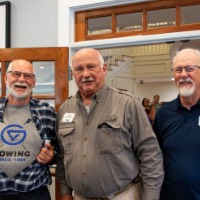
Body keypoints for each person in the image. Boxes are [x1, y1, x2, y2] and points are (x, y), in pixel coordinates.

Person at [56, 48, 164, 200]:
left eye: (91, 67)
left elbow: (150, 155)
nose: (85, 74)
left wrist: (150, 196)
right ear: (73, 74)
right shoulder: (64, 109)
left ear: (104, 69)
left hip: (122, 196)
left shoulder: (128, 104)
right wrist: (66, 192)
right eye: (79, 69)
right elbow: (63, 156)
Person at [0, 59, 57, 200]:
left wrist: (51, 157)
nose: (21, 79)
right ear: (6, 78)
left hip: (35, 193)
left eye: (27, 76)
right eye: (16, 74)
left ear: (34, 82)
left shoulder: (46, 111)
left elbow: (58, 149)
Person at [154, 48, 200, 200]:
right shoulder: (163, 113)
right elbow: (155, 156)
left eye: (189, 69)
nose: (183, 74)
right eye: (178, 70)